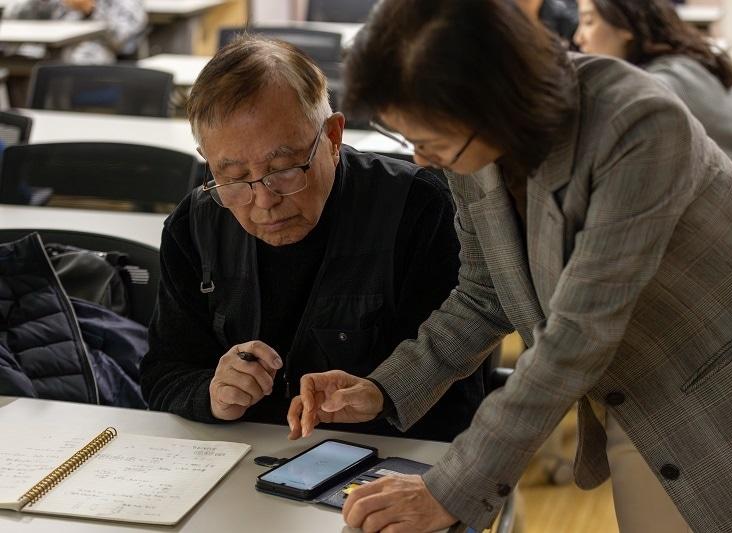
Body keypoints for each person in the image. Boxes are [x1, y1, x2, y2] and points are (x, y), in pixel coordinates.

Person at [286, 1, 732, 532]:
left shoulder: (639, 124)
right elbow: (485, 295)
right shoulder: (474, 147)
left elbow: (576, 337)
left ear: (495, 103)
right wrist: (385, 387)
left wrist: (451, 488)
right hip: (636, 395)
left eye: (429, 141)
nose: (419, 159)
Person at [139, 36, 484, 442]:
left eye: (285, 168)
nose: (264, 200)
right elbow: (163, 375)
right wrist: (211, 394)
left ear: (333, 138)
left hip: (374, 465)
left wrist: (381, 396)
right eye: (233, 178)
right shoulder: (195, 225)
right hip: (237, 460)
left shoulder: (417, 210)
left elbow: (457, 398)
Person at [573, 0, 732, 251]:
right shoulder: (680, 63)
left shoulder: (661, 87)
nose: (578, 37)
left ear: (625, 26)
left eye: (588, 21)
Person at [3, 0, 147, 63]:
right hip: (42, 51)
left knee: (79, 60)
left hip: (91, 54)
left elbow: (124, 39)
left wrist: (91, 10)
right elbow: (13, 17)